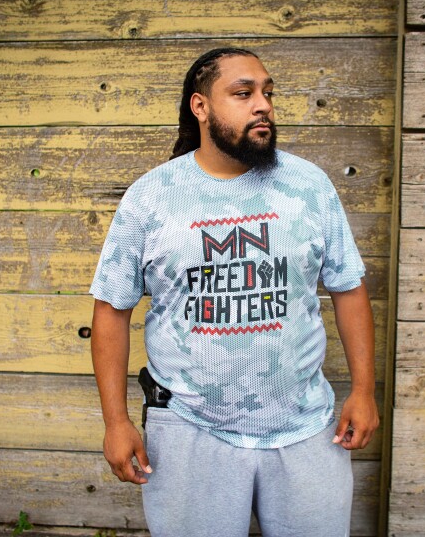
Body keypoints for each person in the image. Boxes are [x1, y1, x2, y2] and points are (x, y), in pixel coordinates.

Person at [90, 47, 379, 537]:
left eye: (267, 92)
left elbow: (348, 288)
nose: (262, 104)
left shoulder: (309, 185)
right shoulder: (152, 197)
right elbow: (111, 310)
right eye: (243, 93)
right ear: (200, 107)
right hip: (188, 427)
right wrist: (116, 422)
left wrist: (365, 390)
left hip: (306, 425)